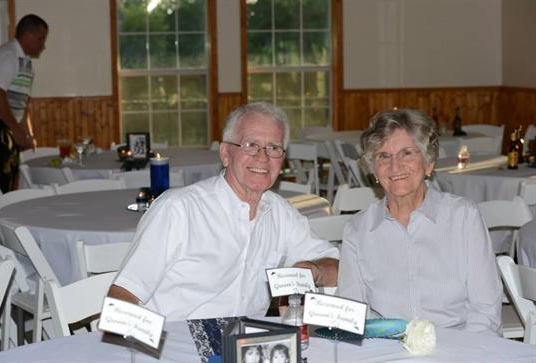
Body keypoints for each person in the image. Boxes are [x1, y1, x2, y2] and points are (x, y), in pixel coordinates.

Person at [108, 102, 339, 320]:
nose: (263, 157)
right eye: (251, 145)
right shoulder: (178, 210)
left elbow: (340, 266)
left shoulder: (280, 213)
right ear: (226, 154)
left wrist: (313, 271)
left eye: (274, 147)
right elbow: (123, 298)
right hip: (173, 345)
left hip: (245, 346)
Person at [337, 109, 502, 336]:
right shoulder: (357, 230)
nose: (395, 166)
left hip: (461, 349)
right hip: (387, 351)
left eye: (407, 153)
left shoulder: (464, 217)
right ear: (374, 169)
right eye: (383, 156)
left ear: (429, 164)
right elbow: (352, 316)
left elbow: (485, 313)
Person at [0, 14, 48, 193]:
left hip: (5, 126)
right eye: (41, 38)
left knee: (8, 182)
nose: (43, 44)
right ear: (27, 36)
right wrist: (15, 129)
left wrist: (26, 132)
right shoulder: (8, 56)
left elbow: (21, 103)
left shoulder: (25, 61)